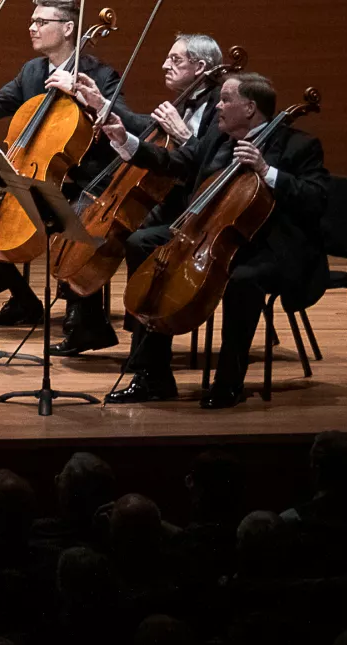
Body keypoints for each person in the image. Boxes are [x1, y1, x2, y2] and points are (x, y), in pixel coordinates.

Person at [96, 71, 329, 407]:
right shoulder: (218, 139)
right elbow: (175, 161)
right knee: (142, 242)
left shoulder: (300, 146)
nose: (217, 106)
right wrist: (126, 141)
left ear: (249, 108)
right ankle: (152, 375)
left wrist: (267, 172)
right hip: (210, 234)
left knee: (242, 280)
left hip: (271, 245)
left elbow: (316, 199)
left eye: (225, 100)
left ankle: (228, 382)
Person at [0, 0, 125, 338]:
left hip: (80, 183)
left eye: (41, 22)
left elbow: (122, 127)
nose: (32, 27)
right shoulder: (32, 72)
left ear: (69, 28)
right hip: (33, 181)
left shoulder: (100, 76)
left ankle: (82, 314)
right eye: (32, 21)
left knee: (74, 224)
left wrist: (86, 98)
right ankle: (23, 299)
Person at [51, 32, 224, 357]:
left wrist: (185, 135)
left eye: (175, 60)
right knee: (85, 223)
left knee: (137, 241)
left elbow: (211, 163)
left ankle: (143, 346)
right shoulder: (187, 98)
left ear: (201, 67)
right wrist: (101, 104)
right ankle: (103, 327)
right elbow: (148, 127)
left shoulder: (218, 105)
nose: (165, 65)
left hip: (195, 207)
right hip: (169, 201)